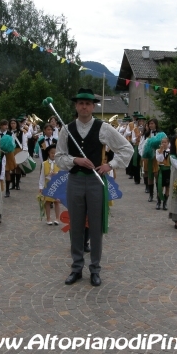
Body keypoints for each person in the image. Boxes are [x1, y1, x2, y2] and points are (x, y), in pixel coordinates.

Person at [55, 88, 133, 287]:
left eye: (88, 103)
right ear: (76, 105)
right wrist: (76, 160)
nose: (84, 106)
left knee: (96, 226)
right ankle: (76, 268)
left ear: (93, 106)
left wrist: (111, 165)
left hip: (96, 182)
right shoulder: (66, 129)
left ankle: (95, 269)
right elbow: (59, 157)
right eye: (81, 103)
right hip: (74, 181)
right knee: (76, 225)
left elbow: (126, 148)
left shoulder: (103, 128)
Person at [39, 144, 62, 225]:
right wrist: (41, 187)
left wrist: (56, 173)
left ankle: (57, 218)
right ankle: (48, 218)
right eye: (52, 153)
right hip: (48, 185)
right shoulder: (44, 163)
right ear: (49, 153)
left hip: (56, 185)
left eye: (55, 153)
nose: (53, 155)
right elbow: (42, 176)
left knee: (57, 202)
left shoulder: (59, 163)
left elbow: (62, 174)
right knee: (47, 202)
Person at [155, 136, 171, 210]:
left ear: (168, 143)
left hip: (168, 170)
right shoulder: (158, 151)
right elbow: (159, 159)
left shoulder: (170, 152)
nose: (164, 144)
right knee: (160, 187)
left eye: (165, 142)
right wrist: (161, 151)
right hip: (161, 170)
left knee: (167, 187)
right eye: (162, 142)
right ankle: (158, 202)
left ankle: (165, 203)